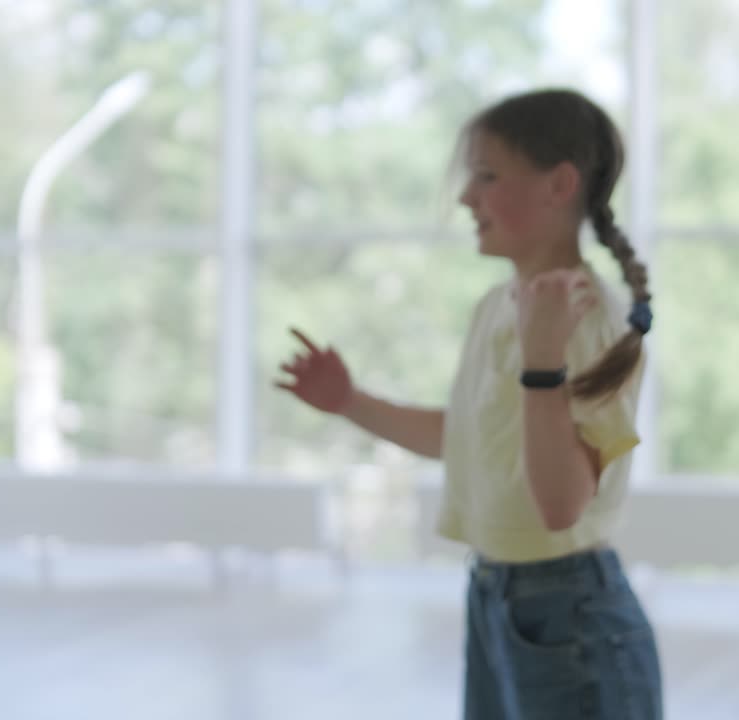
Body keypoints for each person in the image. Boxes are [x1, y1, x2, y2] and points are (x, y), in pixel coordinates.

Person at [275, 88, 663, 720]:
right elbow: (470, 438)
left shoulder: (589, 320)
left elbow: (561, 504)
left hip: (568, 613)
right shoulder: (496, 307)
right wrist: (349, 401)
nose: (465, 197)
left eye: (486, 176)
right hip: (495, 593)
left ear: (559, 184)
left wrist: (543, 365)